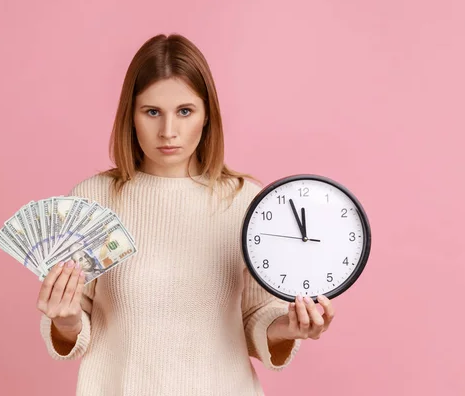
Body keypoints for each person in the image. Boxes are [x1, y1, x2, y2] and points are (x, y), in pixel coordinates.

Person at [36, 33, 336, 396]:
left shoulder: (245, 202)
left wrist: (291, 327)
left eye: (184, 111)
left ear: (207, 115)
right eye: (152, 112)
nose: (168, 131)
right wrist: (66, 321)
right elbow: (75, 328)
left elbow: (258, 318)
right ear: (130, 116)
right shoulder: (91, 201)